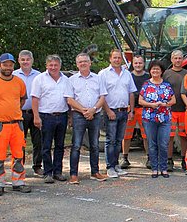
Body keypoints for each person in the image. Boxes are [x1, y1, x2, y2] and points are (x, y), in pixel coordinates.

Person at [0, 53, 30, 196]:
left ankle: (18, 182)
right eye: (5, 64)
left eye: (10, 65)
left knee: (18, 154)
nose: (8, 67)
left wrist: (14, 112)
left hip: (17, 124)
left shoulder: (19, 82)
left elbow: (22, 99)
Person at [64, 53, 108, 184]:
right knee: (76, 145)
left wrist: (93, 110)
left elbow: (102, 97)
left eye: (85, 61)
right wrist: (83, 110)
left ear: (90, 63)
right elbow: (69, 99)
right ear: (77, 64)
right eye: (80, 62)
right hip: (79, 115)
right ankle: (73, 174)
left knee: (94, 145)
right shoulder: (71, 80)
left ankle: (95, 172)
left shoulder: (98, 78)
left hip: (95, 115)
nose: (83, 63)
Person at [31, 55, 70, 184]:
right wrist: (36, 116)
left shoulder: (65, 80)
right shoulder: (40, 79)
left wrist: (69, 117)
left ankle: (57, 172)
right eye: (51, 65)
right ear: (46, 65)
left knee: (60, 146)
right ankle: (48, 172)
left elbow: (68, 99)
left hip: (62, 115)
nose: (53, 67)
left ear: (60, 66)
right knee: (46, 145)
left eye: (56, 65)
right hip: (46, 116)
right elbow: (35, 99)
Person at [100, 49, 137, 178]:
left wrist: (131, 110)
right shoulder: (103, 74)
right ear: (110, 59)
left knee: (118, 140)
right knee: (110, 140)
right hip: (111, 111)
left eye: (119, 58)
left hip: (123, 112)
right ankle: (110, 167)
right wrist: (108, 110)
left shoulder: (127, 74)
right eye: (114, 57)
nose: (117, 60)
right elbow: (102, 95)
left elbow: (131, 93)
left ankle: (116, 165)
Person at [139, 61, 176, 178]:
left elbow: (173, 100)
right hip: (149, 119)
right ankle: (154, 169)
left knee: (164, 144)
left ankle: (163, 168)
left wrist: (166, 105)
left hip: (164, 119)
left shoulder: (167, 85)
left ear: (161, 71)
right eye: (153, 69)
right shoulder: (146, 85)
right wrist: (151, 105)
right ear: (150, 71)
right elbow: (140, 101)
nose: (155, 71)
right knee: (152, 144)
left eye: (157, 69)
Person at [13, 50, 42, 176]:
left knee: (38, 141)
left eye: (28, 59)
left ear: (32, 60)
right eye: (23, 59)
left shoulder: (39, 75)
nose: (25, 62)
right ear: (19, 61)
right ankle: (20, 167)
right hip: (19, 113)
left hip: (36, 112)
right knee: (19, 142)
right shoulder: (13, 75)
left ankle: (37, 166)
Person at [120, 55, 149, 169]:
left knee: (146, 135)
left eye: (140, 63)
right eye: (136, 63)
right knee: (126, 135)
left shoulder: (148, 77)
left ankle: (149, 158)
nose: (138, 65)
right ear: (133, 63)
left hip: (144, 109)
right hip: (129, 109)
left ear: (144, 64)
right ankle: (124, 158)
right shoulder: (128, 76)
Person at [163, 50, 187, 172]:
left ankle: (185, 159)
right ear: (171, 59)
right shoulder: (166, 74)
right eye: (175, 58)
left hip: (185, 110)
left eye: (180, 58)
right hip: (170, 110)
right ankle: (169, 160)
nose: (178, 60)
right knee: (170, 137)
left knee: (184, 136)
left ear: (183, 59)